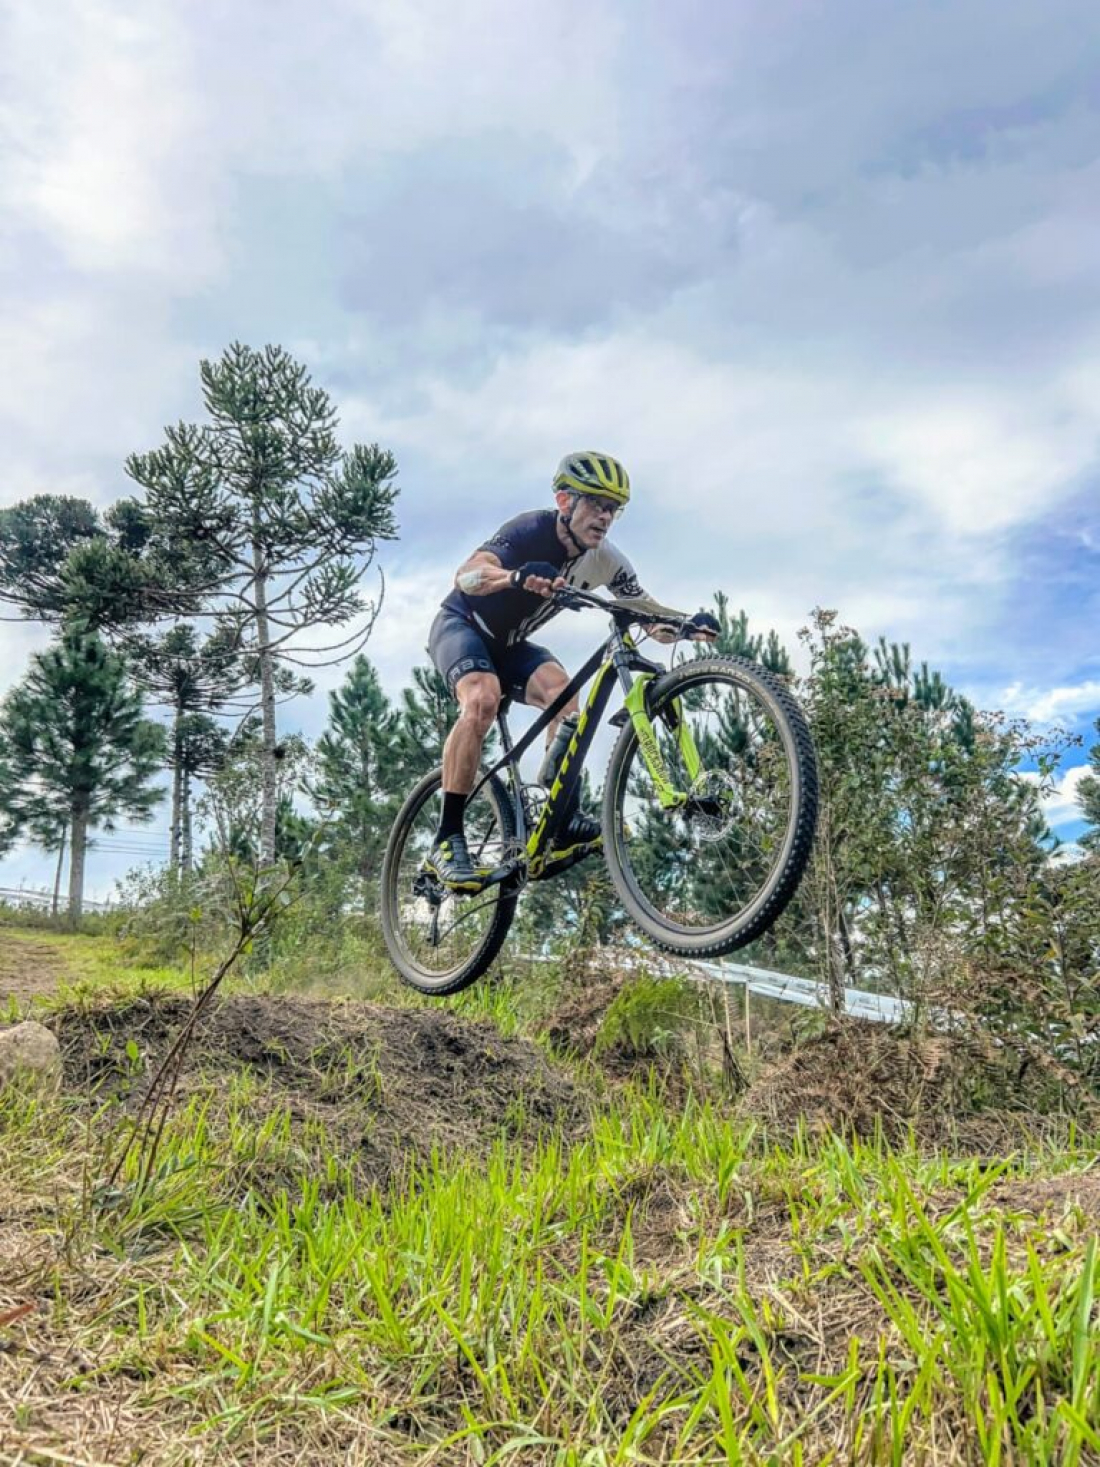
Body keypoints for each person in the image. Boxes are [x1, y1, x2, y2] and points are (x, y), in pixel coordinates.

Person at [424, 451, 720, 889]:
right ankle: (446, 840)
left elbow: (644, 613)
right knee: (482, 698)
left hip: (511, 646)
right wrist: (515, 576)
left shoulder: (607, 561)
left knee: (565, 695)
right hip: (463, 625)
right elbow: (467, 576)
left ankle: (554, 812)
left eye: (613, 509)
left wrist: (683, 624)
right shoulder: (529, 530)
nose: (605, 517)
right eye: (597, 504)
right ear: (565, 502)